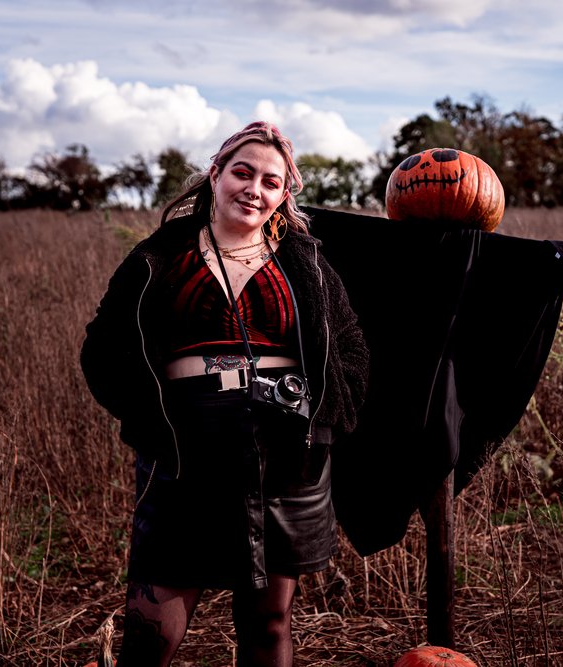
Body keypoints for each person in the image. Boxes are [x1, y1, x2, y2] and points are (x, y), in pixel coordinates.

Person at [80, 121, 369, 666]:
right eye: (242, 172)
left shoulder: (305, 262)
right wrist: (150, 421)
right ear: (215, 175)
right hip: (186, 453)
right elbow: (102, 349)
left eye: (270, 181)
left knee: (268, 622)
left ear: (284, 195)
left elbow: (352, 347)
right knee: (151, 630)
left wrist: (325, 418)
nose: (253, 189)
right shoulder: (160, 256)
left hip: (287, 452)